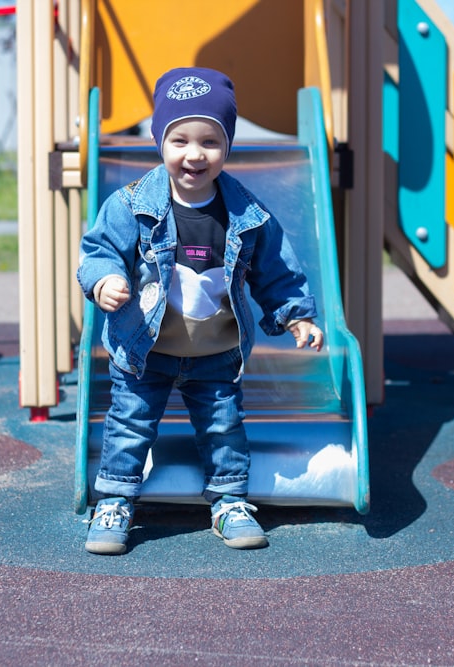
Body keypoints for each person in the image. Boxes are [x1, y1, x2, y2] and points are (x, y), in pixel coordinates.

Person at [76, 67, 323, 555]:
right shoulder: (131, 205)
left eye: (210, 141)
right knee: (129, 425)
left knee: (223, 426)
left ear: (227, 146)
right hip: (145, 349)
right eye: (180, 140)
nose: (194, 154)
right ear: (160, 142)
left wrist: (295, 314)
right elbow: (100, 250)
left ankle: (230, 501)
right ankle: (116, 500)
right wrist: (105, 279)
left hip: (216, 352)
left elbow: (276, 270)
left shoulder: (249, 215)